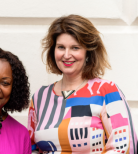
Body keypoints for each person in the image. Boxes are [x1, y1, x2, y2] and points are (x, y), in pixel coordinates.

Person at [28, 15, 137, 154]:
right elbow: (32, 149)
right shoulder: (40, 97)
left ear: (88, 52)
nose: (66, 55)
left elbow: (124, 148)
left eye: (75, 48)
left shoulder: (106, 91)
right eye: (61, 47)